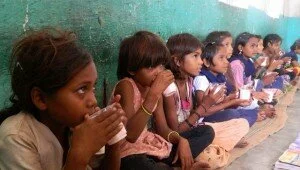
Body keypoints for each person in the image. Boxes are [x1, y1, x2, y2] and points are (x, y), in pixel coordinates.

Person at [0, 28, 125, 170]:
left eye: (93, 88)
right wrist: (79, 155)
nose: (94, 101)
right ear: (40, 98)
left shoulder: (74, 125)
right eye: (81, 89)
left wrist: (113, 141)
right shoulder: (16, 137)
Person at [115, 31, 214, 170]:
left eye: (161, 65)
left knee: (206, 132)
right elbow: (130, 135)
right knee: (140, 164)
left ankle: (175, 164)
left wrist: (181, 140)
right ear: (132, 69)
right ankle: (177, 166)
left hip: (149, 146)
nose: (158, 72)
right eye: (150, 67)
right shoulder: (126, 86)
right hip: (127, 153)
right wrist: (153, 95)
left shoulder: (153, 89)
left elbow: (163, 129)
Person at [164, 33, 249, 155]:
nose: (200, 62)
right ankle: (212, 147)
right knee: (208, 133)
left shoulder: (189, 81)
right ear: (177, 61)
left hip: (195, 129)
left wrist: (219, 100)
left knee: (242, 123)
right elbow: (176, 132)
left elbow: (193, 115)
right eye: (195, 56)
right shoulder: (170, 88)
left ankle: (214, 145)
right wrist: (206, 104)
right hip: (179, 139)